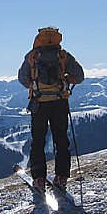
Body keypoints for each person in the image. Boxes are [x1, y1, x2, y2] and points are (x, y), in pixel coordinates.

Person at [18, 26, 84, 189]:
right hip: (59, 102)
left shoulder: (32, 56)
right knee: (61, 139)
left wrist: (34, 86)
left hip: (39, 103)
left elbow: (22, 78)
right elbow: (80, 76)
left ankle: (39, 178)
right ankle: (61, 176)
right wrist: (67, 80)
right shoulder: (63, 56)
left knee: (38, 141)